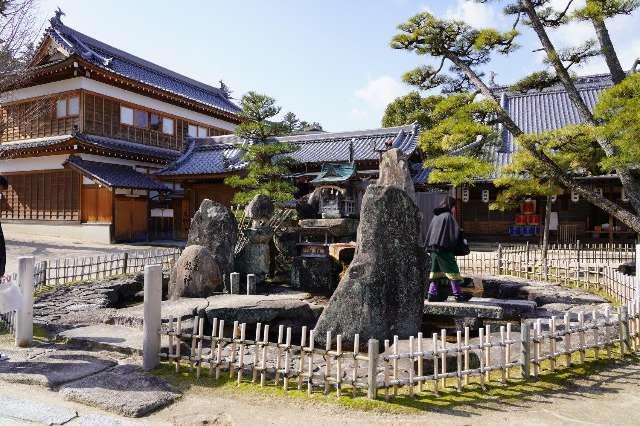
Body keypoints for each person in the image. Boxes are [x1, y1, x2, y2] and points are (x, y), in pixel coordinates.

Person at [424, 195, 468, 302]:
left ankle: (432, 294)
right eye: (454, 206)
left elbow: (430, 233)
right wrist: (462, 240)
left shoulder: (436, 216)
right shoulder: (448, 216)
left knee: (435, 271)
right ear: (450, 206)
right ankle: (458, 294)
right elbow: (454, 234)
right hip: (444, 249)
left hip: (433, 249)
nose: (454, 209)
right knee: (453, 270)